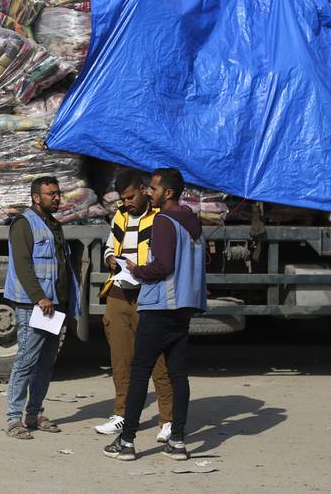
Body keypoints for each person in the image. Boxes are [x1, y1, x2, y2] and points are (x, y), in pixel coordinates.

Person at [104, 168, 207, 461]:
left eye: (153, 188)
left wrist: (136, 269)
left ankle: (126, 442)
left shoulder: (164, 221)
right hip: (184, 307)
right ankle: (177, 440)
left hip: (160, 305)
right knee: (178, 374)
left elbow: (162, 267)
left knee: (139, 373)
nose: (149, 192)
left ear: (169, 192)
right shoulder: (192, 221)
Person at [93, 169, 174, 440]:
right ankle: (122, 414)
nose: (126, 203)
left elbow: (163, 258)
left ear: (143, 190)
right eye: (123, 199)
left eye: (130, 197)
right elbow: (109, 245)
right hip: (118, 291)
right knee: (120, 358)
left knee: (157, 360)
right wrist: (110, 259)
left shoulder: (159, 218)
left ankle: (168, 420)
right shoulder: (119, 215)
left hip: (147, 294)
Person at [3, 176, 81, 440]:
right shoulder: (24, 224)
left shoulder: (53, 224)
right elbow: (22, 265)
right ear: (36, 197)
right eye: (51, 194)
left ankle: (34, 414)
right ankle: (14, 419)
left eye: (58, 193)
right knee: (26, 360)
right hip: (35, 305)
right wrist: (39, 297)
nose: (57, 197)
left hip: (55, 305)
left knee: (46, 362)